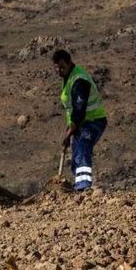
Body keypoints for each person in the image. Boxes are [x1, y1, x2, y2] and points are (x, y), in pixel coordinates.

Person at [52, 49, 107, 191]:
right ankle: (78, 186)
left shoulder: (79, 80)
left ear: (69, 63)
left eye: (62, 67)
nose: (59, 71)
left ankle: (83, 188)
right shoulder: (68, 78)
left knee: (83, 148)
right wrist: (68, 130)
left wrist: (69, 133)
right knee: (76, 155)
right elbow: (71, 110)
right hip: (79, 124)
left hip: (93, 121)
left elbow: (79, 110)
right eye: (56, 68)